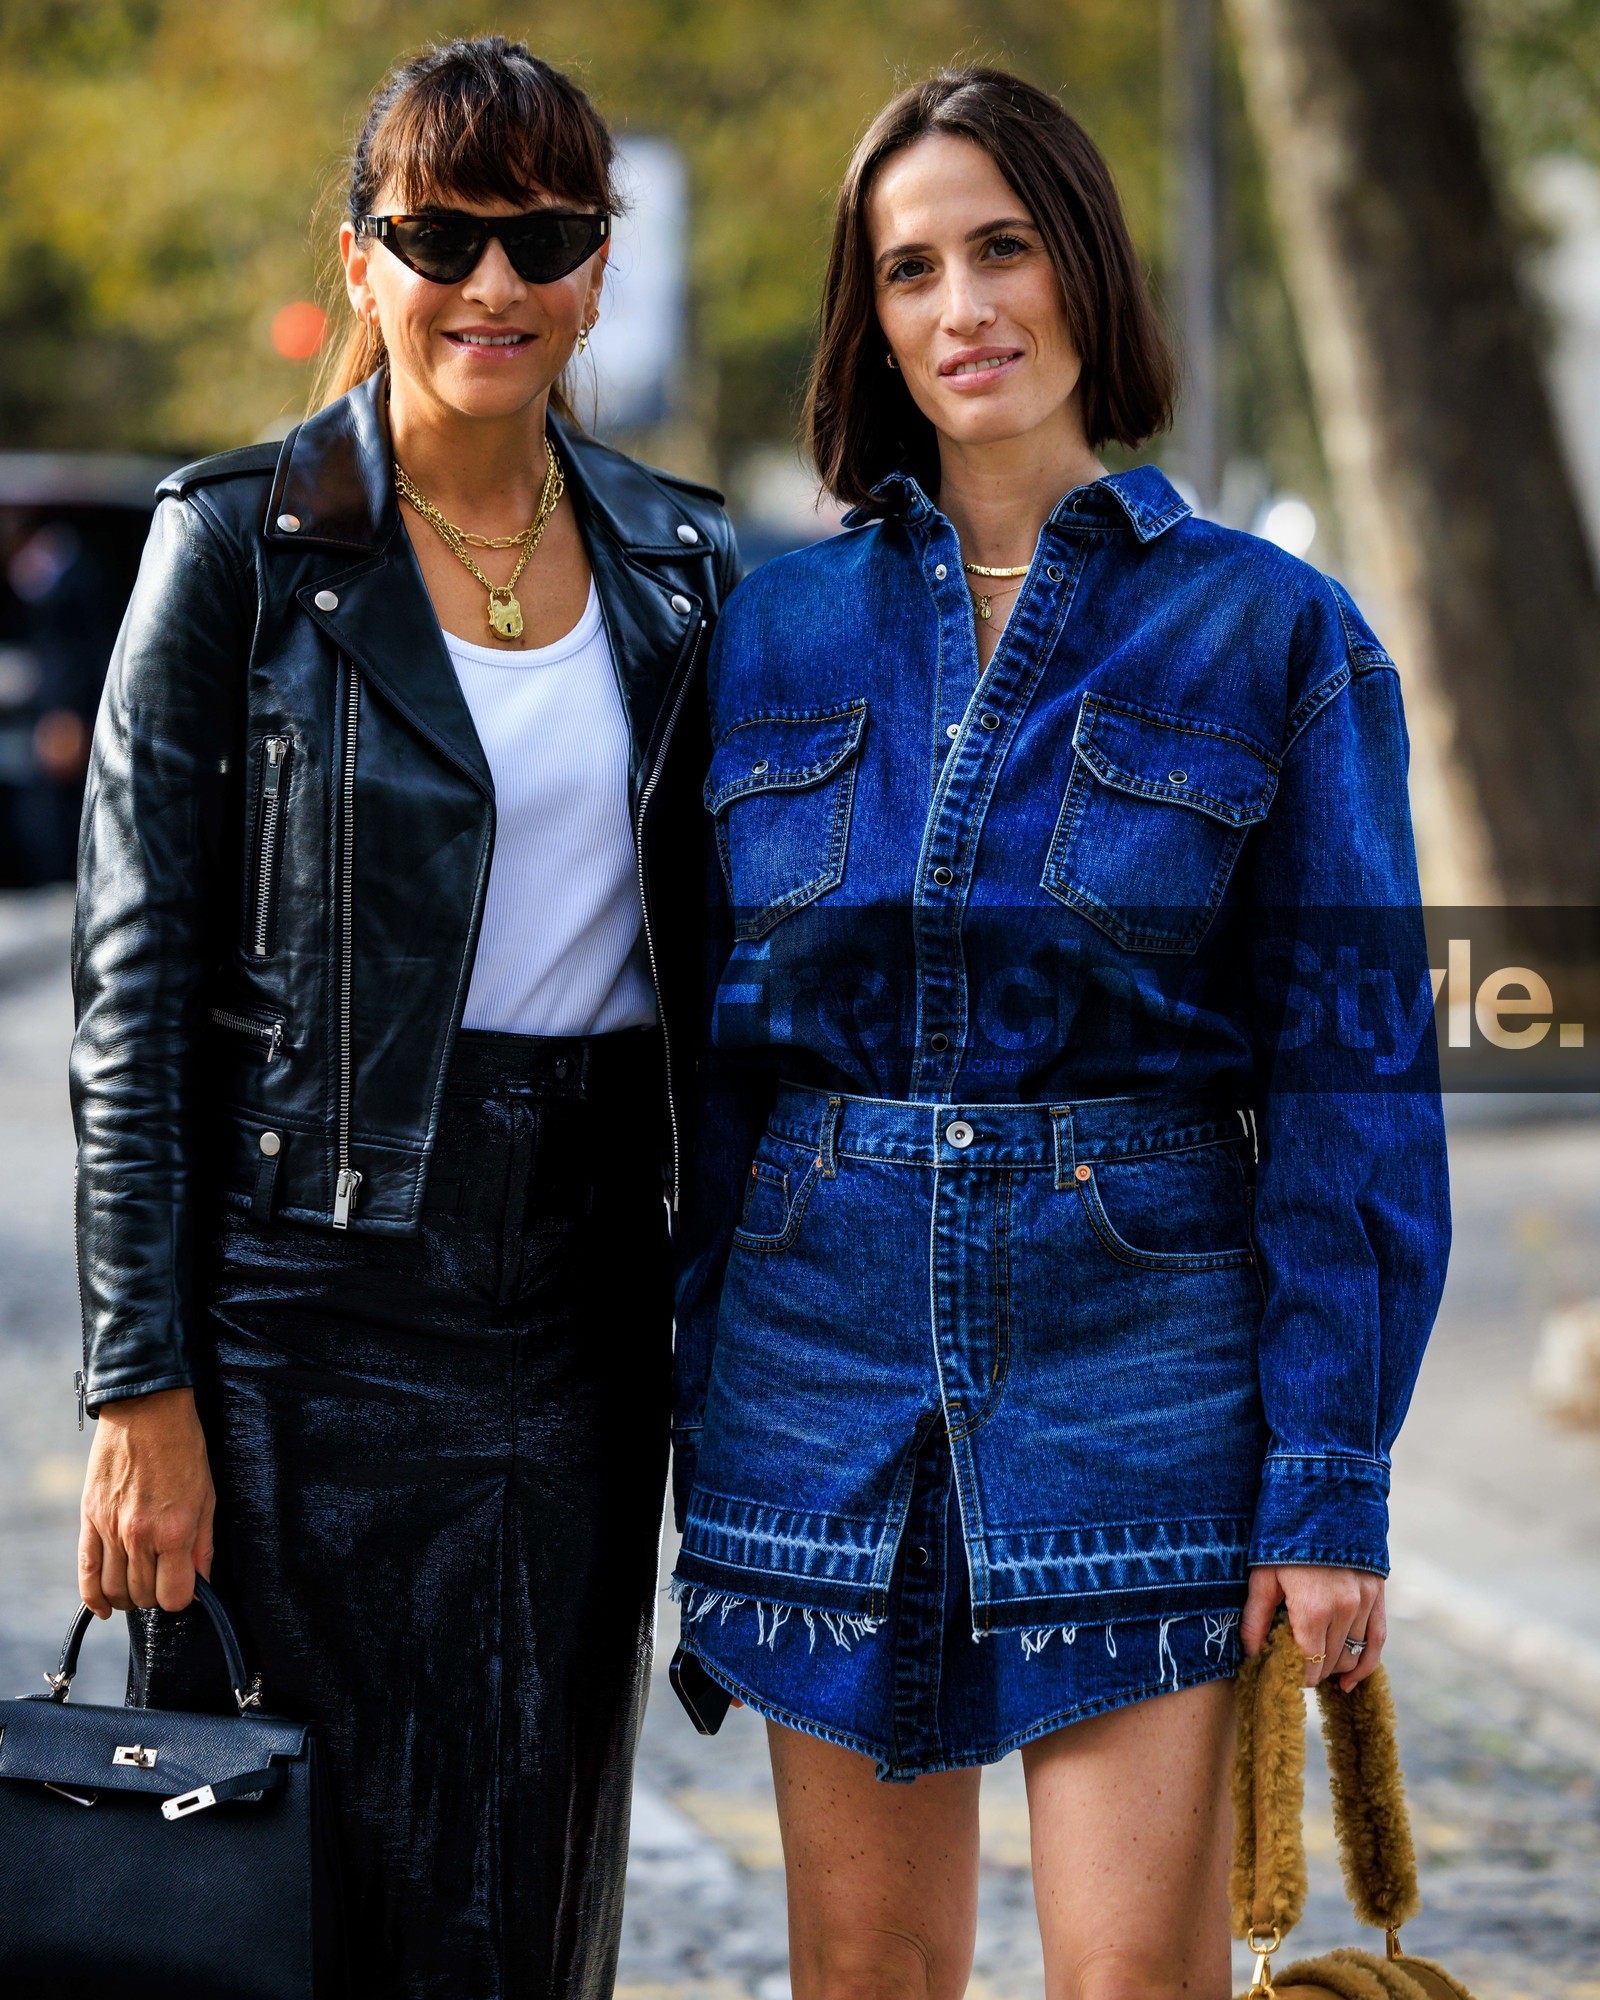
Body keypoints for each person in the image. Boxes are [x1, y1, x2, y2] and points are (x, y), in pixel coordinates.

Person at [670, 68, 1449, 2000]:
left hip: (1144, 1372)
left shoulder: (1273, 635)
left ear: (1082, 266)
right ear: (871, 317)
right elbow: (701, 1069)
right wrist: (682, 1394)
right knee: (863, 1980)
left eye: (1002, 247)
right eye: (912, 267)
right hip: (816, 1369)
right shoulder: (769, 637)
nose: (964, 309)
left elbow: (1356, 1086)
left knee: (1131, 1985)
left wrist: (1329, 1484)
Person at [71, 35, 734, 1999]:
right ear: (356, 257)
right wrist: (139, 1389)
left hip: (575, 1327)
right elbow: (134, 990)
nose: (494, 283)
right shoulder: (235, 550)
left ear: (599, 269)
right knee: (272, 1898)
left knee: (521, 1896)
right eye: (440, 233)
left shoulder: (679, 569)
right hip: (295, 1323)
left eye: (543, 235)